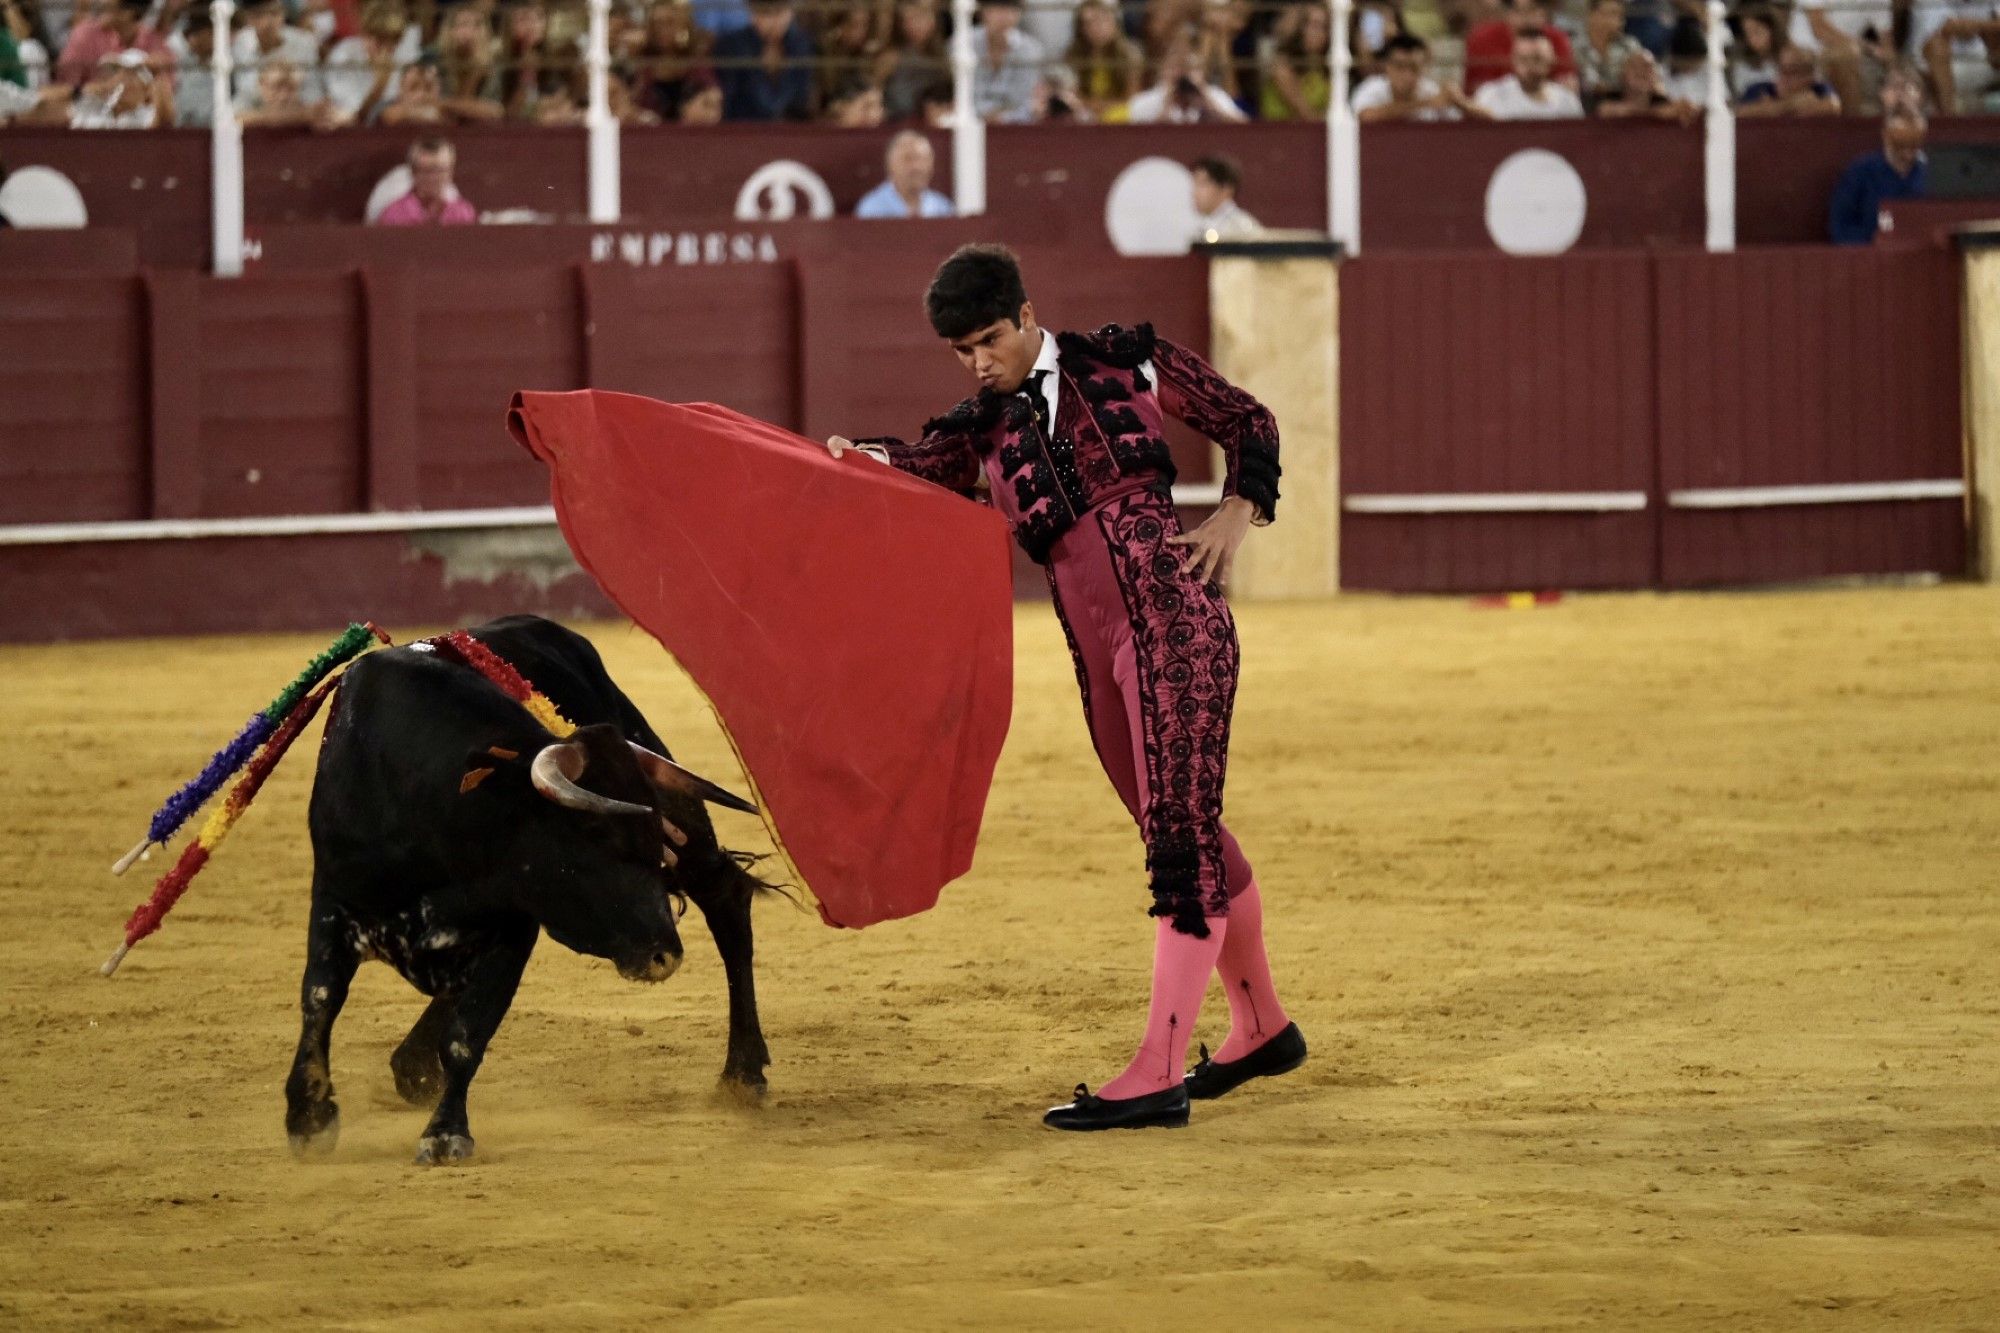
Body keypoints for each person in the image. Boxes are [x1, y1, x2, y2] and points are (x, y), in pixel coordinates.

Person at [824, 244, 1303, 1132]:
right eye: (961, 349)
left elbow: (1249, 418)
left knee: (1177, 837)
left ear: (1028, 315)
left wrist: (1239, 508)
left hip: (1174, 622)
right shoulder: (983, 426)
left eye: (990, 340)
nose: (979, 361)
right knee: (1177, 824)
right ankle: (1261, 1025)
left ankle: (1157, 1069)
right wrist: (865, 459)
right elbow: (926, 466)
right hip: (1096, 654)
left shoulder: (1122, 359)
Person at [1828, 110, 1927, 244]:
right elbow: (1840, 227)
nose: (1908, 154)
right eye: (1900, 144)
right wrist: (1872, 242)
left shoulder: (1932, 173)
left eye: (1914, 145)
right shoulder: (1860, 172)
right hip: (1872, 256)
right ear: (1885, 135)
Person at [712, 0, 814, 120]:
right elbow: (729, 102)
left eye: (780, 12)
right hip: (743, 130)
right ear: (752, 14)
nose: (774, 22)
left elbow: (803, 97)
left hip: (790, 131)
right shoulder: (731, 46)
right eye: (766, 14)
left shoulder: (802, 45)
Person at [1352, 31, 1482, 118]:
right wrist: (1425, 104)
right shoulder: (1372, 88)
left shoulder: (1431, 90)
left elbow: (1487, 120)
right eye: (1400, 66)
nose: (1407, 75)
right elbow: (1366, 116)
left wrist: (1460, 102)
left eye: (1414, 68)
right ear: (1387, 67)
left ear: (1424, 68)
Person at [1128, 27, 1246, 121]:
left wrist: (1211, 106)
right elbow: (1133, 136)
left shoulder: (1215, 95)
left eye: (1190, 68)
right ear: (1164, 69)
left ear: (1201, 72)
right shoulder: (1144, 101)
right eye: (1176, 67)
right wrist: (1165, 109)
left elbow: (1244, 127)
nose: (1183, 74)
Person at [1473, 26, 1583, 117]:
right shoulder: (1490, 96)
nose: (1530, 67)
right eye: (1524, 59)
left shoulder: (1567, 101)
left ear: (1551, 60)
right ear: (1514, 60)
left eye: (1537, 59)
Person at [375, 136, 479, 225]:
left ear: (451, 172)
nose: (433, 178)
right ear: (413, 172)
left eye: (440, 170)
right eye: (426, 171)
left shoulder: (463, 214)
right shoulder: (394, 215)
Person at [1063, 0, 1141, 118]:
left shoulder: (1130, 55)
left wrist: (1097, 106)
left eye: (1101, 20)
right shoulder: (1073, 57)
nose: (1095, 28)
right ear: (1081, 29)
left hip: (1120, 117)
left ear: (1114, 22)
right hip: (1084, 117)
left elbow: (1132, 100)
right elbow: (1072, 97)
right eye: (1088, 23)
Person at [972, 0, 1044, 121]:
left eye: (1012, 9)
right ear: (983, 10)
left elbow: (1023, 103)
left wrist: (1001, 117)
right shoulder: (962, 44)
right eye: (999, 8)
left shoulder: (1031, 50)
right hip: (970, 125)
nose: (1005, 17)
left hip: (1014, 128)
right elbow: (966, 98)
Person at [855, 129, 954, 217]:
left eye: (923, 159)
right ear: (890, 164)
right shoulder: (872, 208)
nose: (917, 167)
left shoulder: (944, 208)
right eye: (908, 159)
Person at [1259, 2, 1331, 119]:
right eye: (1313, 25)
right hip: (1279, 133)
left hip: (1314, 133)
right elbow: (1305, 113)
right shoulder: (1281, 64)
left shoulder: (1329, 67)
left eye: (1324, 27)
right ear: (1300, 28)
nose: (1319, 33)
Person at [1594, 45, 1697, 120]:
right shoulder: (1606, 101)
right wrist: (1657, 114)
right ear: (1622, 75)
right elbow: (1606, 111)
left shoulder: (1668, 103)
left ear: (1657, 77)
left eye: (1648, 67)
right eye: (1634, 66)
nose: (1641, 71)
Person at [1736, 44, 1840, 114]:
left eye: (1792, 72)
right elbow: (1740, 113)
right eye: (1781, 70)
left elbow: (1833, 106)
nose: (1783, 78)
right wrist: (1790, 104)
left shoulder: (1819, 88)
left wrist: (1769, 109)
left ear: (1809, 76)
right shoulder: (1761, 88)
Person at [1189, 153, 1260, 242]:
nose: (1195, 192)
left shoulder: (1243, 228)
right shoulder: (1198, 226)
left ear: (1226, 189)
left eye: (1203, 184)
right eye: (1195, 184)